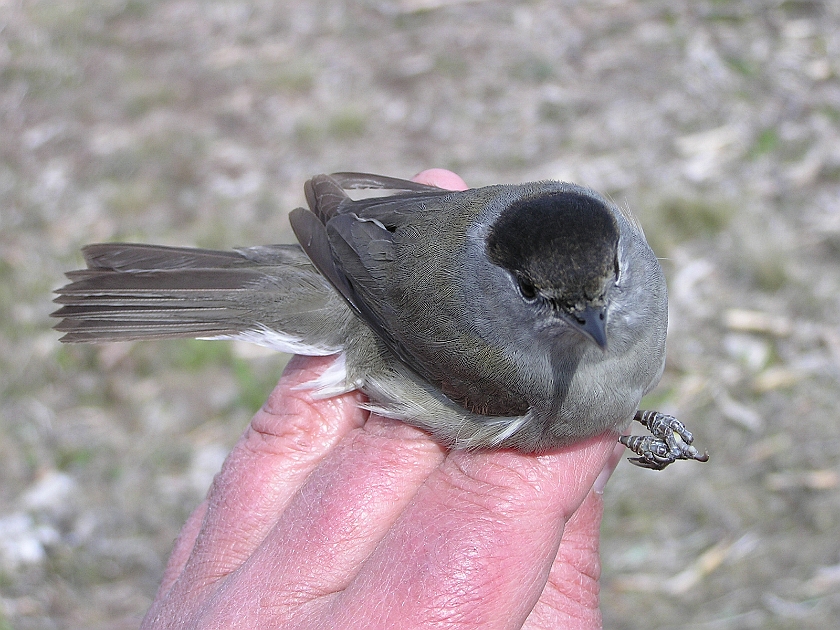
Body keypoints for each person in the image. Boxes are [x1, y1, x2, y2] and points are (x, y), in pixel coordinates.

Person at [141, 169, 623, 629]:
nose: (596, 325)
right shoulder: (502, 363)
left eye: (612, 284)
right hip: (385, 299)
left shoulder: (597, 237)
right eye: (532, 292)